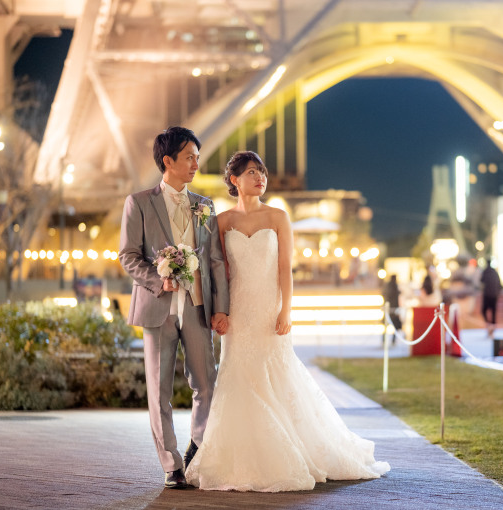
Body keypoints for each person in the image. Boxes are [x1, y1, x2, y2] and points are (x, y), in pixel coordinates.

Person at [185, 151, 389, 491]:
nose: (260, 177)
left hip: (268, 307)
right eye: (251, 172)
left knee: (275, 370)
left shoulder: (278, 217)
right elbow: (218, 272)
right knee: (238, 374)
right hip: (237, 310)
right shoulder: (221, 222)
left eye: (262, 171)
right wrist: (219, 311)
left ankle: (295, 447)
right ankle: (243, 456)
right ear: (234, 180)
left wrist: (286, 310)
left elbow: (284, 268)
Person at [119, 126, 229, 490]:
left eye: (197, 156)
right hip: (157, 307)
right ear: (168, 161)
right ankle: (171, 465)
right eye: (189, 157)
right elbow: (128, 256)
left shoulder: (205, 205)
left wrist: (221, 308)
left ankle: (196, 447)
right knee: (159, 390)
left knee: (206, 384)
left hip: (198, 308)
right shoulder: (139, 202)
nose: (196, 163)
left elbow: (215, 261)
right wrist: (157, 278)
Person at [480, 259, 501, 337]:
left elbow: (481, 281)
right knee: (493, 312)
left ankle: (490, 326)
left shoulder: (485, 271)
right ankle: (491, 326)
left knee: (484, 311)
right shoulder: (494, 272)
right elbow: (499, 284)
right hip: (494, 295)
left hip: (488, 295)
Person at [382, 275, 402, 345]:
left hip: (389, 309)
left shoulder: (388, 286)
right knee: (394, 326)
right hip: (392, 309)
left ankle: (385, 340)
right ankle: (392, 340)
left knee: (386, 326)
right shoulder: (394, 286)